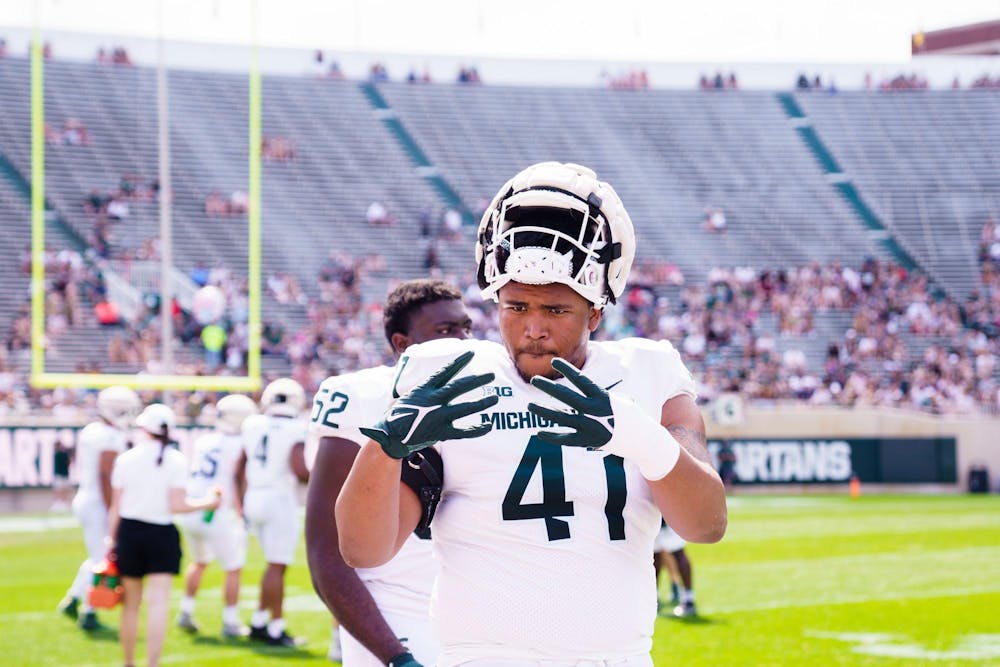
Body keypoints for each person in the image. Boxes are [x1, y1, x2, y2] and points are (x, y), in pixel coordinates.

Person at [336, 162, 728, 666]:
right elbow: (363, 550)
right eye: (516, 307)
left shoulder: (647, 372)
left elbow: (707, 523)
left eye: (556, 310)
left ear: (595, 312)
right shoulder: (448, 375)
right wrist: (384, 448)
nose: (533, 329)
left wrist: (634, 433)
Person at [306, 279, 473, 667]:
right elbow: (326, 554)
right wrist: (395, 656)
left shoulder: (487, 395)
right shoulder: (359, 395)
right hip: (395, 614)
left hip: (472, 614)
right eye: (445, 330)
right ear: (402, 344)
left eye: (466, 328)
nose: (463, 340)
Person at [106, 404, 221, 667]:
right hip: (161, 534)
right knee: (158, 604)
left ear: (144, 428)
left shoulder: (127, 459)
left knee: (131, 605)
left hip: (130, 533)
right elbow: (177, 505)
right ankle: (152, 663)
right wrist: (208, 502)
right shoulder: (176, 460)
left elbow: (116, 508)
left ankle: (128, 663)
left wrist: (110, 540)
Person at [175, 394, 259, 637]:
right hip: (217, 511)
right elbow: (239, 479)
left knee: (199, 561)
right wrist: (242, 511)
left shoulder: (205, 440)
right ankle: (231, 621)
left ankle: (185, 612)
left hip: (193, 508)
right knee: (233, 566)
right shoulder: (240, 444)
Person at [59, 385, 141, 631]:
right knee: (101, 557)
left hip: (86, 497)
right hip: (97, 502)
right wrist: (112, 508)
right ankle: (89, 611)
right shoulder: (109, 436)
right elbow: (106, 475)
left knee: (96, 554)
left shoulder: (93, 430)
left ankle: (73, 599)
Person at [238, 378, 310, 647]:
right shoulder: (297, 427)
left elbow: (241, 464)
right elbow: (300, 470)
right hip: (278, 497)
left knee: (272, 564)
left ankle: (258, 621)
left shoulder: (252, 423)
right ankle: (276, 628)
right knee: (278, 566)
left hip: (254, 493)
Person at [653, 522, 697, 618]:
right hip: (656, 515)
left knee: (677, 553)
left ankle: (688, 599)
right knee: (655, 557)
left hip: (663, 515)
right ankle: (654, 599)